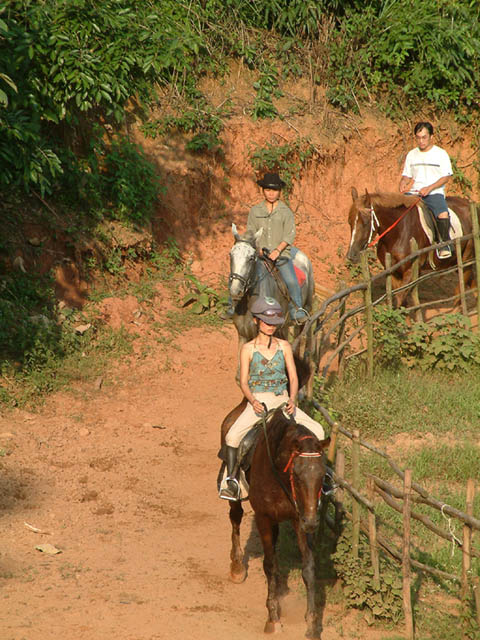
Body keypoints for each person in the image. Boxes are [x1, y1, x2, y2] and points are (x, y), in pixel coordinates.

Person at [219, 296, 325, 501]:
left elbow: (293, 377)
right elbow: (243, 381)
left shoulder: (284, 346)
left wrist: (293, 399)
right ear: (256, 321)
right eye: (267, 322)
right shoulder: (248, 349)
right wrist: (253, 401)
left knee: (319, 430)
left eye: (275, 323)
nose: (270, 326)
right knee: (232, 437)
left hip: (283, 400)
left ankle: (324, 477)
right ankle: (232, 480)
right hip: (259, 401)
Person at [225, 171, 306, 322]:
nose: (271, 193)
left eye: (274, 190)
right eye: (267, 190)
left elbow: (289, 235)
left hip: (280, 255)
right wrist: (258, 249)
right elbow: (251, 232)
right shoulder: (255, 211)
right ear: (262, 190)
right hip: (260, 255)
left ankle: (297, 310)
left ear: (279, 191)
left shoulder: (286, 212)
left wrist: (277, 251)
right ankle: (232, 306)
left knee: (291, 281)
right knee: (238, 274)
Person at [399, 121, 453, 259]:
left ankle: (445, 243)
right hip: (415, 193)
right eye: (418, 137)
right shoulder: (412, 154)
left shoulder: (441, 154)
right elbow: (407, 175)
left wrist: (429, 188)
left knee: (442, 214)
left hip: (434, 192)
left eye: (424, 137)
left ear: (431, 137)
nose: (421, 141)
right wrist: (403, 183)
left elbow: (446, 176)